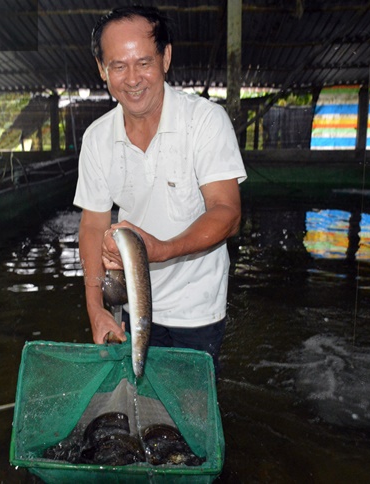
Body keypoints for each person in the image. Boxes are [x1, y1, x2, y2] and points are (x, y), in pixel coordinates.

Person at [73, 5, 247, 373]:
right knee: (135, 409)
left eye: (144, 62)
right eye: (118, 66)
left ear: (166, 58)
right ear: (102, 69)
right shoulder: (97, 138)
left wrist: (161, 250)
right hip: (130, 303)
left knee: (184, 411)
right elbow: (92, 225)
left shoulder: (205, 121)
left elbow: (227, 213)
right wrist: (96, 308)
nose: (133, 79)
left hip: (195, 307)